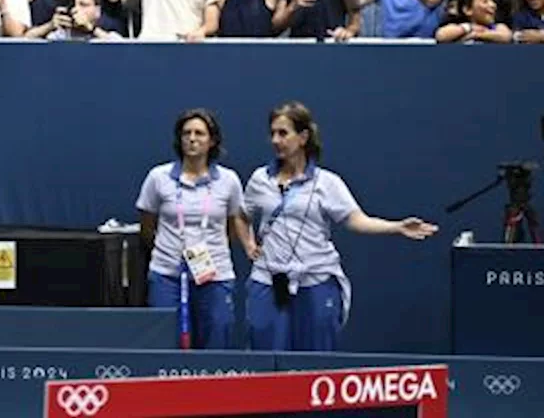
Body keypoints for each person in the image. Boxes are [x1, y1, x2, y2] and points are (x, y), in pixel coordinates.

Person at [243, 101, 438, 352]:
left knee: (315, 361)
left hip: (316, 278)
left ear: (303, 137)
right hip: (270, 279)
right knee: (266, 354)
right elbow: (240, 214)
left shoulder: (327, 183)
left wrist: (397, 227)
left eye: (283, 133)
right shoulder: (260, 179)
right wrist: (248, 241)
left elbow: (356, 220)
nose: (275, 140)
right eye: (272, 133)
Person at [136, 109, 256, 349]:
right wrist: (170, 250)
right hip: (167, 273)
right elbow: (147, 224)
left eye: (199, 133)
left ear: (211, 141)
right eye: (186, 133)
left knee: (217, 335)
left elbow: (235, 225)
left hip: (214, 274)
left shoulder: (228, 180)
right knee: (164, 342)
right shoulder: (158, 177)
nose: (192, 139)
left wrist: (211, 249)